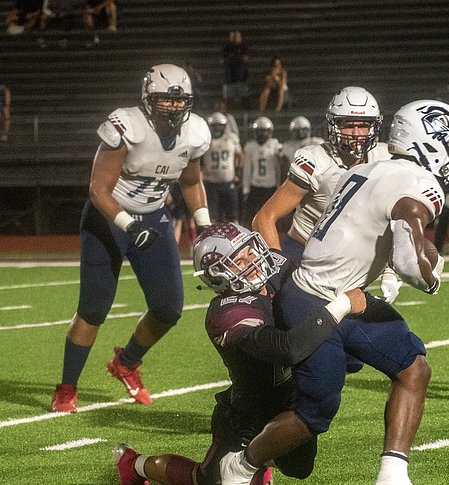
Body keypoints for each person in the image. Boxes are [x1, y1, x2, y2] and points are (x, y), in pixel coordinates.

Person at [217, 99, 449, 485]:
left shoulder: (369, 168)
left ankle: (392, 479)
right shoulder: (414, 184)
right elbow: (416, 269)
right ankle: (240, 465)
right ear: (428, 144)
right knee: (315, 412)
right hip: (315, 299)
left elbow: (381, 233)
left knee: (413, 367)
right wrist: (434, 268)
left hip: (339, 292)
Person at [113, 223, 365, 485]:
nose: (252, 262)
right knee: (209, 483)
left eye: (249, 252)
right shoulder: (229, 313)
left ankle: (256, 459)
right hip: (248, 411)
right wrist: (341, 307)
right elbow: (287, 349)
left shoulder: (277, 267)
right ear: (218, 275)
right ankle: (134, 464)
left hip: (290, 396)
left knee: (299, 468)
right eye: (239, 261)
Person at [50, 64, 212, 413]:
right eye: (165, 100)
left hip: (154, 216)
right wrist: (129, 224)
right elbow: (98, 190)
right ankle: (67, 387)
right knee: (93, 309)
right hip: (109, 218)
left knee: (168, 309)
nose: (173, 107)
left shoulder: (195, 132)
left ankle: (126, 362)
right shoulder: (128, 127)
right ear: (147, 99)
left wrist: (204, 224)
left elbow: (190, 182)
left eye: (179, 100)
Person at [252, 86, 387, 265]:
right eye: (348, 124)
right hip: (302, 254)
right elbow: (264, 218)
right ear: (334, 125)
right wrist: (278, 266)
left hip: (347, 263)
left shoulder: (385, 159)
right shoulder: (316, 161)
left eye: (363, 125)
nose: (356, 133)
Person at [241, 116, 283, 227]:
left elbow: (278, 168)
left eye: (264, 131)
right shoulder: (250, 146)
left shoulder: (275, 145)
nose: (262, 134)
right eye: (259, 131)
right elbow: (247, 168)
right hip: (255, 185)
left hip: (270, 185)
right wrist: (246, 189)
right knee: (251, 215)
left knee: (270, 214)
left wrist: (279, 186)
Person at [203, 112, 243, 223]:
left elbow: (240, 155)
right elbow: (196, 156)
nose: (217, 128)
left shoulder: (231, 138)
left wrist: (237, 173)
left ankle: (236, 239)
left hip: (228, 181)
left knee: (232, 217)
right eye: (214, 125)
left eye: (219, 125)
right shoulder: (205, 138)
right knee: (212, 218)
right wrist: (201, 170)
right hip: (211, 182)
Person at [220, 30, 249, 110]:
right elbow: (223, 60)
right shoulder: (227, 48)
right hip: (229, 77)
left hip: (241, 77)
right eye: (234, 36)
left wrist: (235, 58)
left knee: (243, 98)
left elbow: (245, 59)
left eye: (237, 36)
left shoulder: (243, 47)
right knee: (228, 98)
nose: (235, 38)